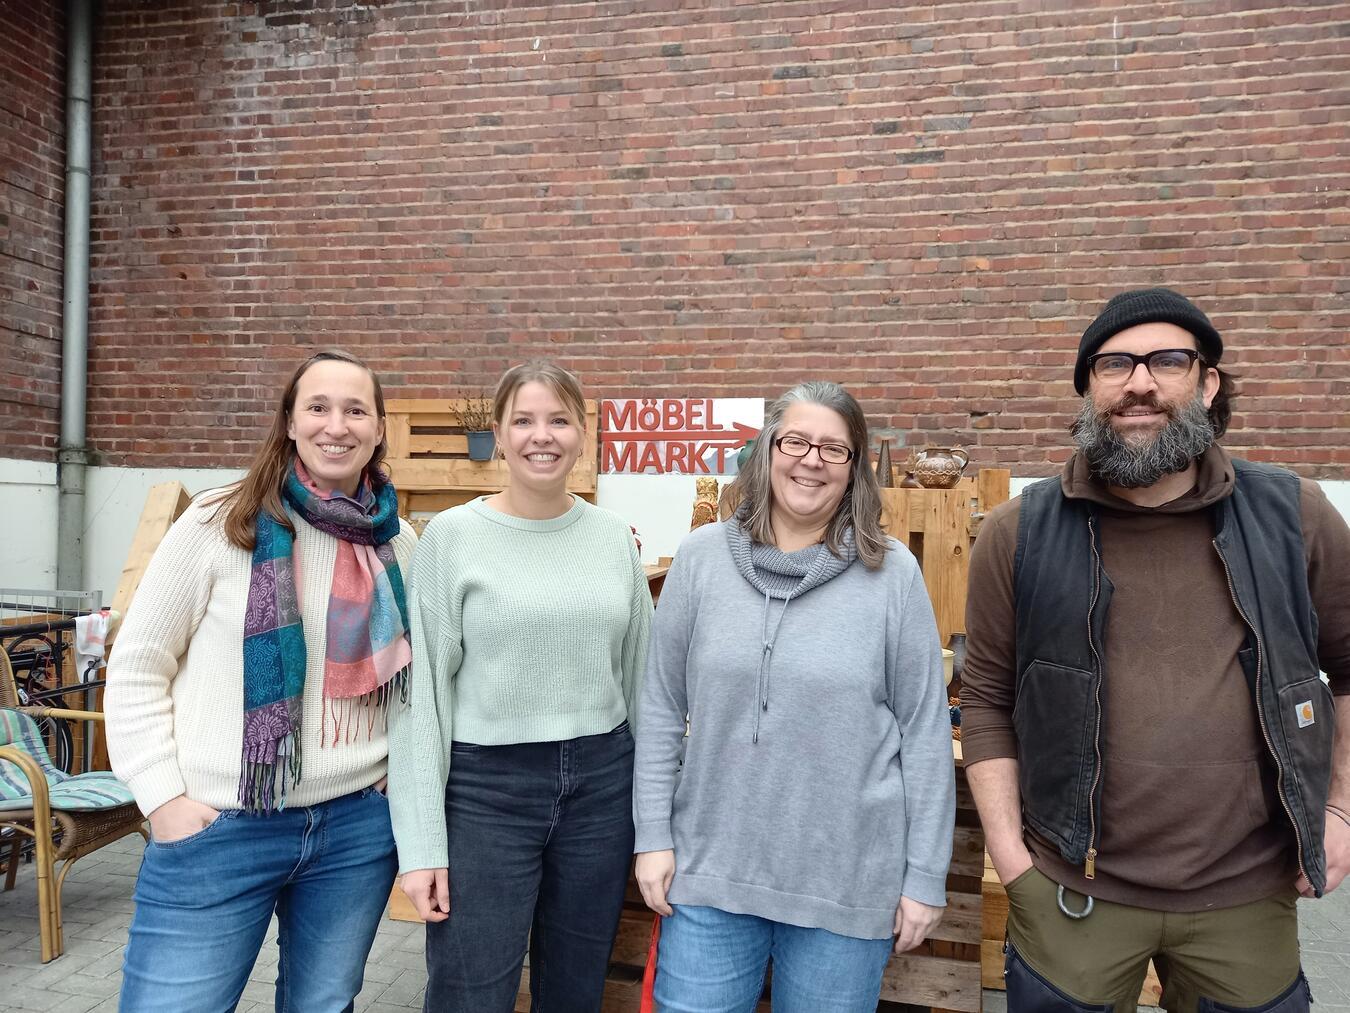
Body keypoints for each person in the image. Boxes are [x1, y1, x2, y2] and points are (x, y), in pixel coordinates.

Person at [962, 288, 1350, 1013]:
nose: (1140, 382)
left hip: (1245, 890)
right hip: (1072, 889)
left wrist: (1341, 810)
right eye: (1114, 364)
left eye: (1167, 360)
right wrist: (1014, 861)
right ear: (1087, 388)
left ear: (1205, 382)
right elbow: (984, 695)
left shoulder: (1293, 515)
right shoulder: (1019, 532)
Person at [106, 349, 418, 1011]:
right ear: (290, 422)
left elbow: (413, 676)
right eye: (319, 407)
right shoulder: (218, 524)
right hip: (222, 824)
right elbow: (137, 666)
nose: (338, 424)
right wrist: (163, 798)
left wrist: (399, 761)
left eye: (356, 409)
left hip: (356, 831)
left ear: (379, 428)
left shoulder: (399, 544)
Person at [633, 380, 955, 1013]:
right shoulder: (700, 561)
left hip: (846, 884)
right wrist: (653, 838)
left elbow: (924, 731)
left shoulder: (890, 575)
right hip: (709, 878)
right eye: (797, 441)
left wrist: (924, 876)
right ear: (766, 451)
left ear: (855, 468)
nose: (812, 460)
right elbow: (661, 706)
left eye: (834, 449)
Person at [388, 361, 652, 1013]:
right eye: (524, 420)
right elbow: (421, 702)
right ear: (499, 436)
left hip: (601, 786)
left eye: (560, 419)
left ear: (582, 433)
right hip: (486, 792)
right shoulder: (450, 538)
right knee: (470, 990)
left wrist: (656, 821)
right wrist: (420, 846)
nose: (543, 435)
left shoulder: (613, 537)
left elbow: (644, 684)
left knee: (575, 989)